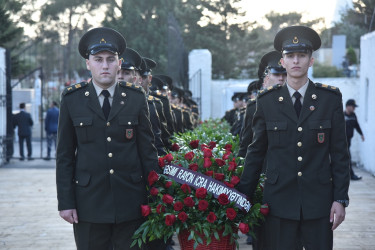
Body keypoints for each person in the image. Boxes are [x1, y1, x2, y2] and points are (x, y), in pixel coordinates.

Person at [237, 26, 350, 249]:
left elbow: (339, 153)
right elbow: (256, 151)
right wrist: (243, 196)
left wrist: (340, 199)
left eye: (302, 55)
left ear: (311, 60)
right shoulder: (267, 101)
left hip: (318, 203)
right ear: (283, 61)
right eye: (290, 56)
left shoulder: (329, 99)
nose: (296, 61)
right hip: (278, 203)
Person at [56, 27, 160, 250]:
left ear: (119, 63)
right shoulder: (72, 99)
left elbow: (147, 151)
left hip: (130, 202)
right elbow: (64, 155)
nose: (105, 65)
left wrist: (156, 195)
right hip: (88, 203)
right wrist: (66, 202)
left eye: (111, 60)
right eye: (99, 59)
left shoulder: (135, 98)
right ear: (88, 63)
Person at [238, 51, 286, 158]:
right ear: (267, 77)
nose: (281, 78)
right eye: (276, 74)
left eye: (285, 74)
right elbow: (246, 144)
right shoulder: (253, 107)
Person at [344, 99, 365, 180]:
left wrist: (361, 134)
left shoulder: (353, 115)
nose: (354, 108)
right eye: (353, 107)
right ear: (348, 106)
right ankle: (351, 175)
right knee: (347, 157)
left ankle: (348, 175)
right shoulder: (342, 115)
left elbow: (357, 125)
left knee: (346, 157)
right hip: (341, 141)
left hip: (349, 140)